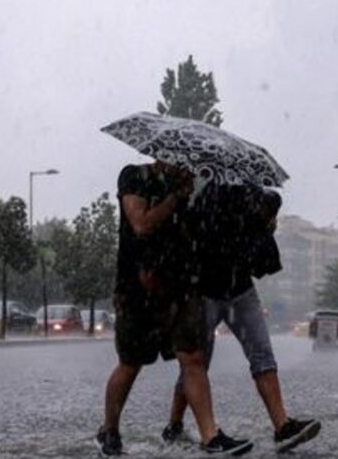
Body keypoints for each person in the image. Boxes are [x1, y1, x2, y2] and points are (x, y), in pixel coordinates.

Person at [95, 161, 253, 457]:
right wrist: (175, 198)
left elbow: (193, 233)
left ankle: (210, 436)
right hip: (137, 290)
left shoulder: (186, 187)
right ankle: (110, 430)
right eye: (175, 160)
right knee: (131, 363)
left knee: (192, 358)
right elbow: (141, 224)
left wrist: (192, 201)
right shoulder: (134, 176)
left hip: (180, 287)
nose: (180, 165)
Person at [162, 185, 321, 453]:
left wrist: (266, 225)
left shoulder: (251, 199)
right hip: (204, 292)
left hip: (241, 290)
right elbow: (191, 242)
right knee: (196, 364)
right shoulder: (205, 199)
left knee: (262, 354)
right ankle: (176, 425)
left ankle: (282, 426)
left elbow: (262, 261)